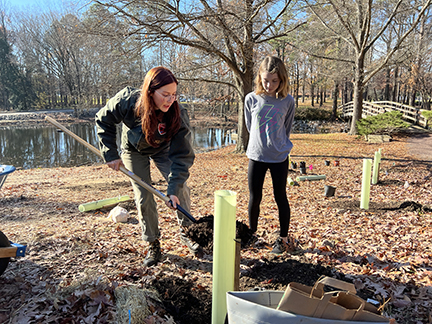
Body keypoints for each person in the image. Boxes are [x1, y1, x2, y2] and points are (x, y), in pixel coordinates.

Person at [95, 66, 201, 267]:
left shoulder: (178, 113)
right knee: (144, 196)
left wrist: (173, 188)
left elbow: (182, 155)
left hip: (163, 147)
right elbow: (103, 119)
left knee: (181, 189)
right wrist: (110, 153)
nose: (171, 100)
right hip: (134, 149)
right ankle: (153, 242)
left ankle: (188, 232)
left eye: (174, 95)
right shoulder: (128, 101)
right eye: (165, 94)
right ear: (150, 92)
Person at [244, 56, 296, 254]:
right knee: (254, 197)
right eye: (266, 80)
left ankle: (282, 239)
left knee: (280, 196)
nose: (269, 84)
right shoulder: (251, 99)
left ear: (282, 80)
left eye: (275, 81)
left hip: (279, 157)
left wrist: (278, 144)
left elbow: (287, 127)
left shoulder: (287, 101)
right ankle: (252, 235)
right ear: (259, 77)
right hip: (256, 156)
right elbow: (250, 126)